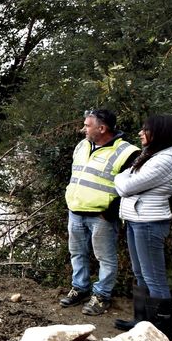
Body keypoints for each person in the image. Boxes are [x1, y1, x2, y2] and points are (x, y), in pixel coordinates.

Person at [112, 114, 172, 341]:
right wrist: (123, 179)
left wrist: (120, 178)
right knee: (140, 273)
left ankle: (162, 336)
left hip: (149, 222)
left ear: (160, 134)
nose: (140, 133)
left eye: (145, 130)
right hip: (137, 219)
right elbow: (127, 180)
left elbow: (126, 185)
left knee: (154, 278)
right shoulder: (153, 154)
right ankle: (141, 323)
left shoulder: (166, 160)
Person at [60, 109, 140, 316]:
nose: (83, 129)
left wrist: (111, 211)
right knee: (77, 253)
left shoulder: (127, 152)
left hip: (101, 216)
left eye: (87, 125)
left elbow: (134, 185)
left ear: (102, 128)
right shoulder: (82, 145)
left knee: (105, 257)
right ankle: (80, 288)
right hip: (76, 210)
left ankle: (102, 295)